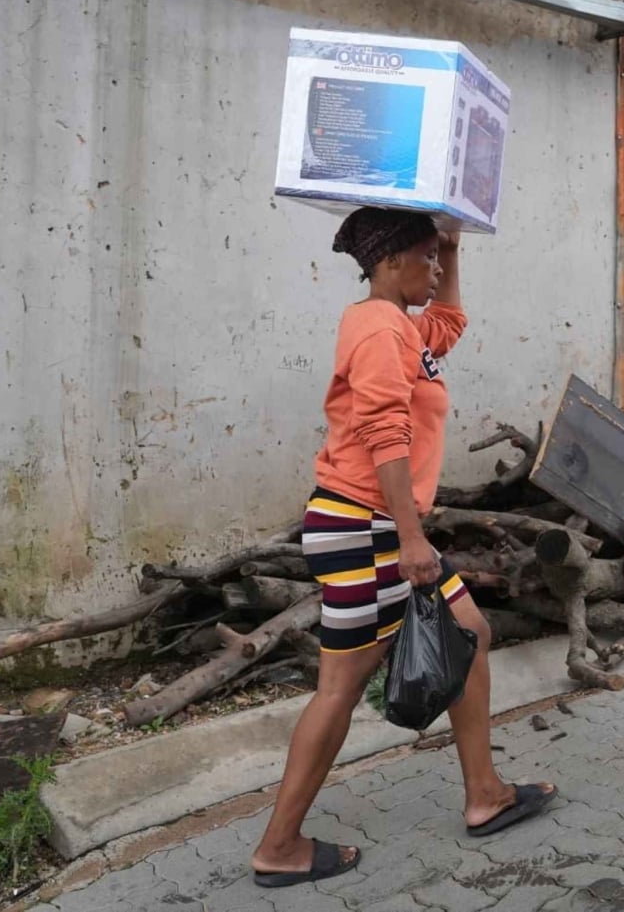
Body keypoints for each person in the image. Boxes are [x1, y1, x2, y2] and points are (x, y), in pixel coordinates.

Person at [251, 208, 556, 888]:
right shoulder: (375, 325)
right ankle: (279, 844)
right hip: (368, 527)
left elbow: (444, 330)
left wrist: (452, 245)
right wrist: (412, 536)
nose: (437, 269)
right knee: (340, 687)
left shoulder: (401, 325)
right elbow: (383, 429)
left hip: (374, 525)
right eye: (426, 256)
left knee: (468, 630)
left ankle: (485, 792)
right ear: (389, 261)